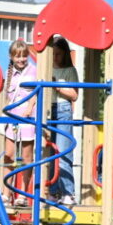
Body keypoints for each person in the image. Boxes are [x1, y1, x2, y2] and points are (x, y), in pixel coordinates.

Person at [2, 39, 38, 209]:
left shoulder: (33, 71)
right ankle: (6, 192)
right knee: (9, 154)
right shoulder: (9, 73)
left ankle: (22, 193)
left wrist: (30, 108)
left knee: (26, 156)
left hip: (27, 116)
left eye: (24, 56)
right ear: (12, 57)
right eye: (18, 56)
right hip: (12, 115)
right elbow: (7, 95)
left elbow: (36, 93)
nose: (21, 59)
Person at [46, 36, 79, 204]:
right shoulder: (46, 68)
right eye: (53, 54)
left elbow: (74, 95)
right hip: (47, 110)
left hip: (63, 110)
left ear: (65, 54)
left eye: (58, 54)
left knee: (63, 151)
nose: (55, 57)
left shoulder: (69, 71)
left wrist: (57, 86)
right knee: (51, 153)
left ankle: (68, 192)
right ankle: (52, 191)